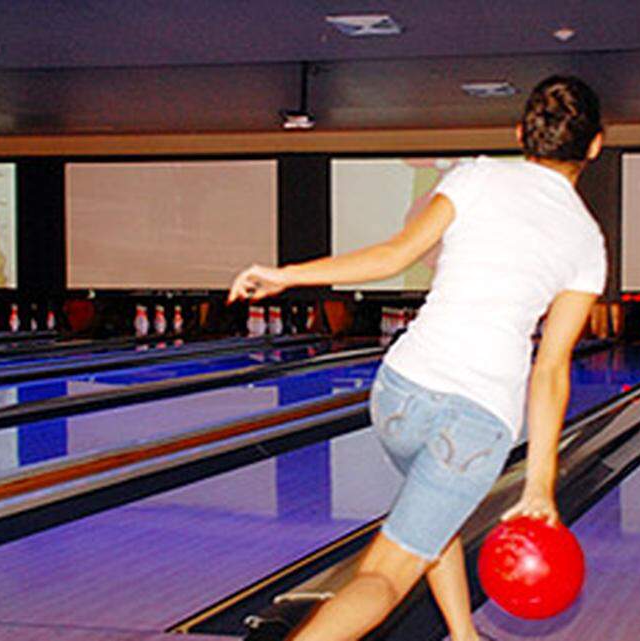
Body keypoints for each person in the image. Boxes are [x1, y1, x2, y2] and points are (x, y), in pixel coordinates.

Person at [228, 75, 607, 641]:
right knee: (383, 574)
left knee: (431, 516)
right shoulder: (586, 241)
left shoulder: (475, 174)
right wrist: (539, 485)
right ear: (596, 145)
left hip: (401, 393)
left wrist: (283, 275)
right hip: (476, 423)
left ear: (520, 133)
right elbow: (550, 370)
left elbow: (392, 255)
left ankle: (462, 634)